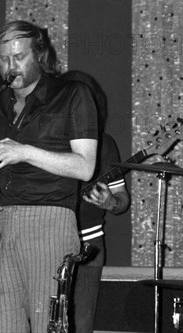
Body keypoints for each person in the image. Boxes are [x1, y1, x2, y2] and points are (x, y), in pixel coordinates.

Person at [0, 20, 99, 333]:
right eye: (4, 59)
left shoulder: (73, 94)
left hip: (48, 220)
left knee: (49, 325)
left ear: (40, 55)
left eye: (19, 57)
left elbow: (85, 167)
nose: (11, 66)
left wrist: (25, 152)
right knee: (4, 326)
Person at [66, 71, 131, 333]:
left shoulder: (105, 144)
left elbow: (122, 200)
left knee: (82, 322)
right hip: (47, 237)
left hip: (90, 242)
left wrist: (110, 203)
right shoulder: (45, 141)